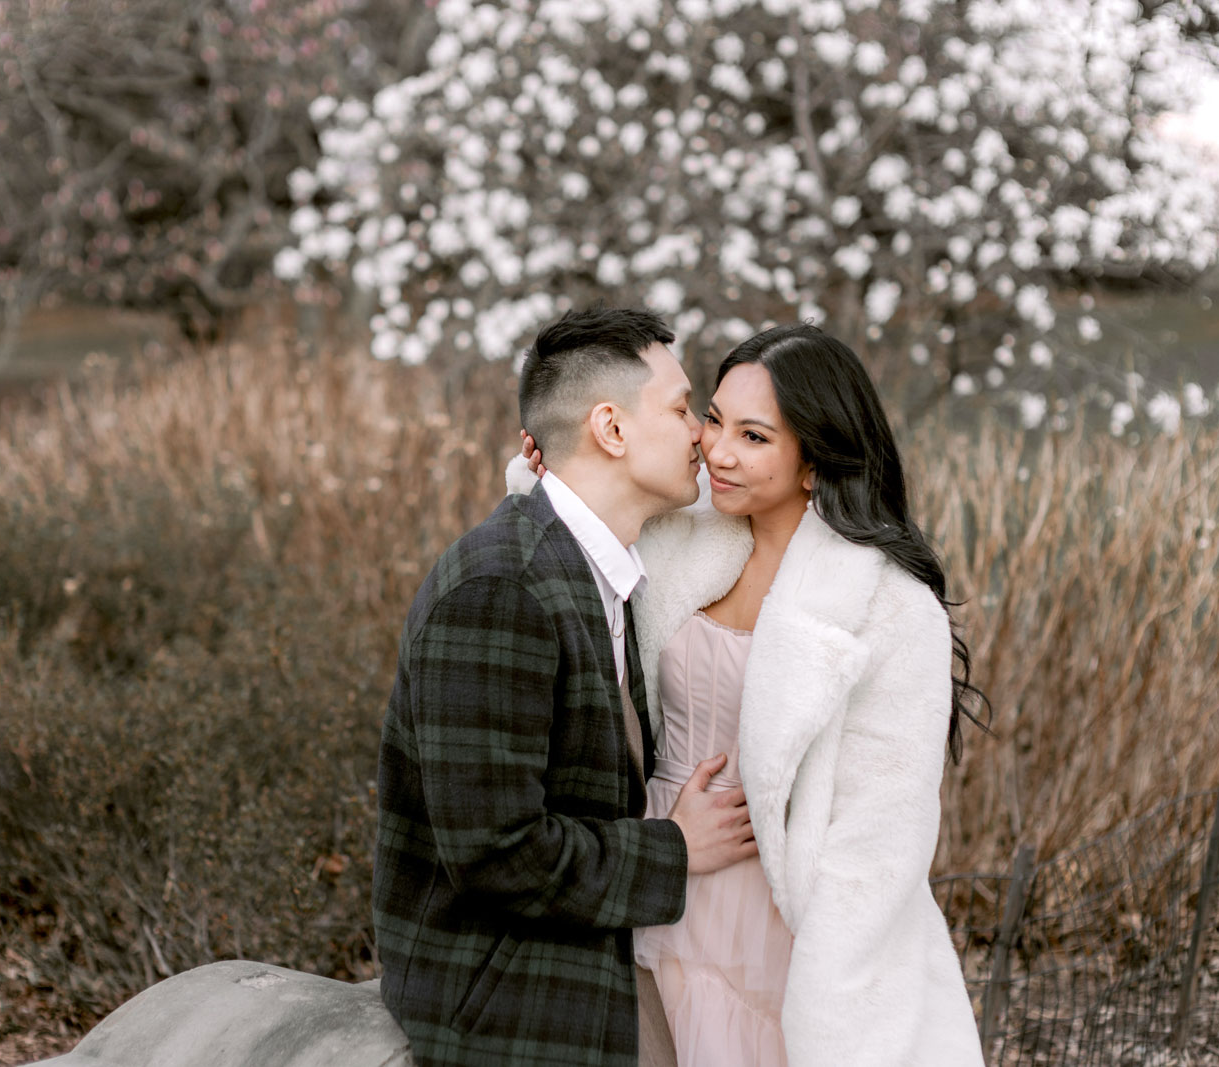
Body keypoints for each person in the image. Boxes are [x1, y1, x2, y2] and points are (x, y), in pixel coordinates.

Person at [512, 323, 987, 1066]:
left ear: (814, 462)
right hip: (657, 884)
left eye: (755, 435)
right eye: (713, 419)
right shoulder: (682, 535)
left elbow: (879, 838)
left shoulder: (887, 607)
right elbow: (578, 529)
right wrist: (552, 462)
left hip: (777, 925)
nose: (718, 450)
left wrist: (837, 1000)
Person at [374, 307, 759, 1067]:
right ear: (611, 430)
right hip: (502, 982)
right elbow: (496, 853)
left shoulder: (601, 569)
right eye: (683, 408)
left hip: (586, 936)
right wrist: (675, 849)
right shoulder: (502, 586)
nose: (701, 435)